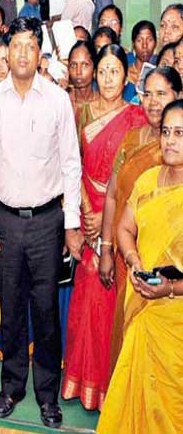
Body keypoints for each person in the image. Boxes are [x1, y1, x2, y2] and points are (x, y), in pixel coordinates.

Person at [0, 17, 84, 428]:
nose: (21, 53)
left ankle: (47, 395)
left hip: (46, 222)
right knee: (13, 307)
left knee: (45, 311)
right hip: (3, 221)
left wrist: (71, 223)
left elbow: (71, 164)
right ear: (6, 52)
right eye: (15, 45)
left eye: (28, 46)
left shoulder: (56, 100)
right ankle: (12, 386)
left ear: (40, 53)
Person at [62, 44, 150, 411]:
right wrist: (87, 216)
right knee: (87, 302)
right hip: (87, 215)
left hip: (120, 218)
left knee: (112, 301)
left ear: (126, 73)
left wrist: (109, 221)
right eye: (103, 71)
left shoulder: (136, 118)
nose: (108, 78)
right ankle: (81, 383)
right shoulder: (81, 112)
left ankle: (111, 383)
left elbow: (137, 176)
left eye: (115, 71)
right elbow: (72, 164)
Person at [97, 99, 183, 434]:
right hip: (143, 304)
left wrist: (170, 289)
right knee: (134, 396)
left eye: (179, 133)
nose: (170, 140)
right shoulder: (148, 179)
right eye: (166, 132)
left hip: (176, 320)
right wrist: (133, 262)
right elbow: (124, 228)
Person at [125, 21, 157, 102]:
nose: (145, 45)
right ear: (133, 44)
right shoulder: (124, 74)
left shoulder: (159, 75)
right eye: (139, 40)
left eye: (149, 40)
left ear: (155, 43)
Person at [68, 40, 99, 115]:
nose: (78, 72)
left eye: (85, 65)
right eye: (73, 65)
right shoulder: (63, 102)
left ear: (94, 69)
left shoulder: (103, 103)